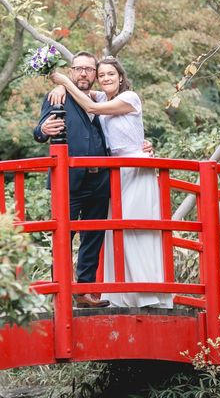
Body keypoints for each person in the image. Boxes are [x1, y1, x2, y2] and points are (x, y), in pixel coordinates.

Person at [50, 57, 173, 308]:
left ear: (120, 77)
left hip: (136, 169)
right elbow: (82, 90)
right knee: (118, 230)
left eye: (111, 74)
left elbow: (88, 105)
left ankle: (147, 292)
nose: (106, 78)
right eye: (102, 74)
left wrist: (63, 80)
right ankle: (122, 293)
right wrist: (61, 86)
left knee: (137, 228)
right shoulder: (101, 98)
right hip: (114, 172)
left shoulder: (129, 98)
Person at [33, 51, 111, 308]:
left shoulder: (104, 100)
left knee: (93, 236)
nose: (84, 73)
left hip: (99, 179)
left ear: (95, 74)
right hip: (67, 179)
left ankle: (85, 291)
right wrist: (43, 129)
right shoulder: (58, 96)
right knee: (64, 235)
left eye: (89, 69)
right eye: (79, 68)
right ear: (70, 70)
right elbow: (39, 130)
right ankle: (61, 292)